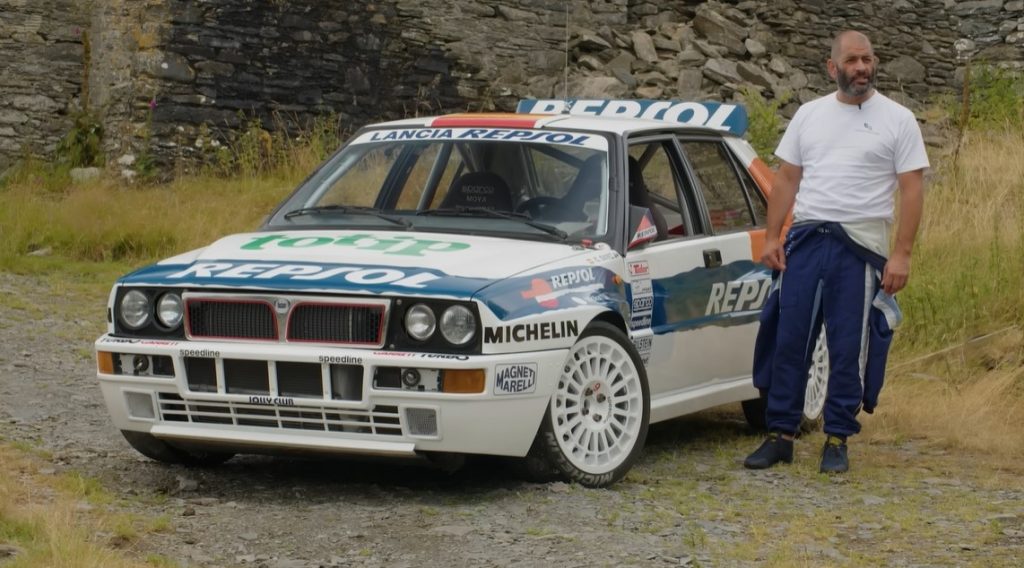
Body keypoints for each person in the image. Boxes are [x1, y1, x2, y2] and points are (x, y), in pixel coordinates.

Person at [743, 30, 928, 473]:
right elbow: (786, 179)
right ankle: (781, 434)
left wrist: (901, 255)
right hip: (806, 241)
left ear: (875, 62)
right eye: (851, 61)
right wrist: (772, 238)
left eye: (867, 59)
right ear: (833, 67)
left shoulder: (898, 119)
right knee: (790, 339)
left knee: (849, 347)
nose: (861, 68)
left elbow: (912, 188)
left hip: (860, 249)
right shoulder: (809, 115)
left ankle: (837, 438)